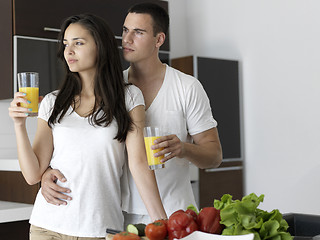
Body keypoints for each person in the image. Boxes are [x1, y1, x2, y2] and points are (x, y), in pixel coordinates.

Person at [40, 2, 223, 227]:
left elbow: (214, 156)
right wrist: (46, 172)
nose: (126, 39)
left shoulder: (187, 87)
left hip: (173, 211)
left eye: (138, 32)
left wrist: (183, 148)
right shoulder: (109, 88)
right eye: (125, 30)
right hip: (120, 213)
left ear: (159, 40)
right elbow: (80, 145)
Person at [8, 13, 166, 239]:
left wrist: (163, 223)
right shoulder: (52, 102)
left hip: (100, 230)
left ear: (100, 46)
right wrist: (19, 125)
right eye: (66, 44)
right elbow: (33, 175)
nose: (69, 51)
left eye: (78, 43)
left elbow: (139, 164)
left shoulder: (129, 97)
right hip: (47, 226)